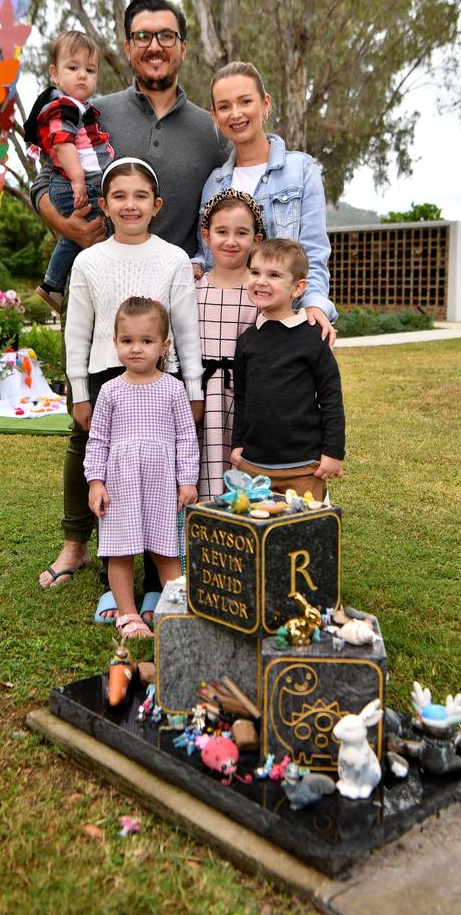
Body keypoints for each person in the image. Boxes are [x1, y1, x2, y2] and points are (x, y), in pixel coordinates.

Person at [33, 0, 226, 598]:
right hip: (100, 281)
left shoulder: (209, 129)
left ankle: (163, 542)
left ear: (182, 46)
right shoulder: (96, 111)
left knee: (162, 430)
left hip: (167, 299)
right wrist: (69, 231)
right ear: (127, 45)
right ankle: (75, 543)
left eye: (166, 35)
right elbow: (47, 179)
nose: (154, 45)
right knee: (88, 425)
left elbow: (222, 207)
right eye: (142, 35)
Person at [65, 157, 203, 618]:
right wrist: (80, 390)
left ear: (156, 204)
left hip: (163, 379)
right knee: (118, 490)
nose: (130, 205)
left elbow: (185, 330)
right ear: (104, 204)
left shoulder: (174, 258)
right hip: (109, 379)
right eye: (119, 196)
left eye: (140, 196)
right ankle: (112, 582)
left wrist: (194, 388)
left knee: (156, 487)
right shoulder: (88, 260)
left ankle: (152, 587)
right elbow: (77, 331)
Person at [192, 61, 337, 347]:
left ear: (265, 103)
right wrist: (192, 266)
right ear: (214, 115)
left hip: (285, 326)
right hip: (226, 327)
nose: (236, 114)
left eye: (245, 101)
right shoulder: (213, 182)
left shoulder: (301, 170)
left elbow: (314, 252)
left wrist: (315, 304)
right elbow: (206, 252)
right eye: (224, 106)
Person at [85, 297, 199, 640]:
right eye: (127, 341)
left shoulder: (173, 389)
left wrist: (187, 481)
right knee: (120, 551)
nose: (136, 349)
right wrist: (95, 481)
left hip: (162, 484)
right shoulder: (109, 392)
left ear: (164, 346)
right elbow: (98, 441)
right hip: (120, 485)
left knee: (166, 551)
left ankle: (178, 609)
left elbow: (185, 439)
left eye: (147, 341)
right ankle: (128, 615)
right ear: (115, 343)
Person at [231, 238, 345, 501]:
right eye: (255, 272)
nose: (261, 281)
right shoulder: (248, 340)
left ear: (298, 288)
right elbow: (242, 398)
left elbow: (330, 398)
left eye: (273, 275)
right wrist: (238, 444)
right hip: (253, 466)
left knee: (302, 535)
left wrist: (333, 452)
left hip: (303, 467)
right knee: (257, 534)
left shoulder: (312, 337)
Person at [24, 30, 114, 313]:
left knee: (85, 233)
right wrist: (77, 180)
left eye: (90, 70)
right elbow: (62, 144)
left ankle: (52, 284)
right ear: (55, 73)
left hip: (83, 183)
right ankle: (53, 284)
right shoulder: (63, 105)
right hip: (77, 184)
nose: (82, 76)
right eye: (73, 68)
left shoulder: (79, 106)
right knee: (97, 228)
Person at [195, 189, 263, 500]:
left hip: (243, 395)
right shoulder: (193, 288)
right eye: (222, 232)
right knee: (201, 465)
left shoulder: (261, 292)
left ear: (256, 240)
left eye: (241, 233)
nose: (231, 241)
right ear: (206, 236)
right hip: (201, 396)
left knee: (239, 465)